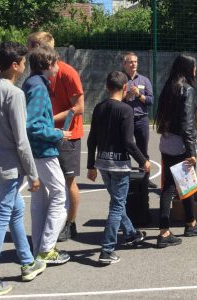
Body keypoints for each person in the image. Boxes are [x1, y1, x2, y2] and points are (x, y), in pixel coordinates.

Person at [0, 42, 46, 298]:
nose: (25, 66)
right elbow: (21, 140)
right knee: (1, 217)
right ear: (15, 65)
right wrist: (34, 175)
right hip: (10, 169)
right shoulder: (14, 94)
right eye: (23, 62)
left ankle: (26, 262)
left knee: (16, 210)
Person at [87, 71, 150, 264]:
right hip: (120, 166)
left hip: (103, 164)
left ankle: (130, 233)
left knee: (117, 201)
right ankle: (107, 250)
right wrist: (143, 161)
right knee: (116, 206)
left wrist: (91, 165)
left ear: (107, 87)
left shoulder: (98, 108)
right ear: (125, 88)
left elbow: (92, 139)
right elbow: (129, 142)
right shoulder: (126, 110)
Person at [27, 32, 84, 242]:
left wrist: (48, 121)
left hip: (67, 135)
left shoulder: (67, 73)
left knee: (67, 184)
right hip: (49, 136)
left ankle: (70, 224)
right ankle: (45, 236)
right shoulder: (36, 80)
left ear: (42, 49)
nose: (28, 48)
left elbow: (79, 108)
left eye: (31, 45)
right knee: (45, 189)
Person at [155, 54, 197, 248]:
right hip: (179, 145)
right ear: (188, 69)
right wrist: (191, 151)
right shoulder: (186, 90)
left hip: (167, 142)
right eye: (194, 67)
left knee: (185, 184)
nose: (196, 71)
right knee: (170, 188)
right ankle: (164, 232)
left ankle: (191, 223)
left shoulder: (168, 87)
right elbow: (188, 123)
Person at [23, 46, 71, 264]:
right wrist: (57, 133)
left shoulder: (32, 83)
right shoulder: (39, 88)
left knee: (40, 199)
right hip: (43, 150)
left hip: (34, 151)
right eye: (55, 63)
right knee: (60, 196)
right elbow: (32, 124)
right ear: (47, 66)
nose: (58, 67)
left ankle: (38, 248)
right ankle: (46, 248)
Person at [122, 52, 157, 188]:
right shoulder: (120, 79)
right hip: (125, 120)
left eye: (135, 61)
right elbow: (115, 97)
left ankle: (145, 178)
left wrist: (138, 94)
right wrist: (127, 95)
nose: (133, 64)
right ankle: (125, 179)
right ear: (124, 64)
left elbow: (150, 100)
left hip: (141, 119)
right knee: (125, 149)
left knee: (143, 150)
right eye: (130, 62)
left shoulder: (144, 80)